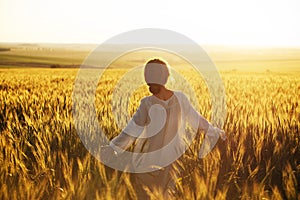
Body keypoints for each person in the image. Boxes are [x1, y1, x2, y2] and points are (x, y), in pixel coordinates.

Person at [100, 58, 226, 199]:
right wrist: (218, 133)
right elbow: (199, 122)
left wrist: (112, 148)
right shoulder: (180, 99)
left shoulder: (147, 103)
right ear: (166, 77)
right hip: (172, 164)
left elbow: (131, 132)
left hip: (148, 164)